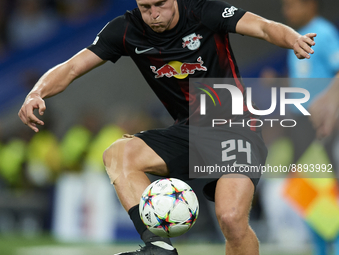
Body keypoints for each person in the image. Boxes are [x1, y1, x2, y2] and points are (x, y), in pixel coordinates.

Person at [18, 0, 316, 254]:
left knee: (231, 217)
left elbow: (263, 26)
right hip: (188, 132)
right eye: (146, 7)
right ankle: (156, 245)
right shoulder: (126, 30)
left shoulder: (204, 11)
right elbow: (71, 67)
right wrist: (36, 92)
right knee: (118, 154)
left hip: (235, 127)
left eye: (160, 4)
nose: (154, 14)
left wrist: (292, 39)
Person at [281, 0, 339, 254]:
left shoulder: (323, 33)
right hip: (301, 122)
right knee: (303, 183)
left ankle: (334, 242)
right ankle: (319, 245)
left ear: (311, 5)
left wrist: (329, 105)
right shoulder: (295, 38)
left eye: (292, 5)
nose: (287, 11)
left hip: (322, 122)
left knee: (325, 183)